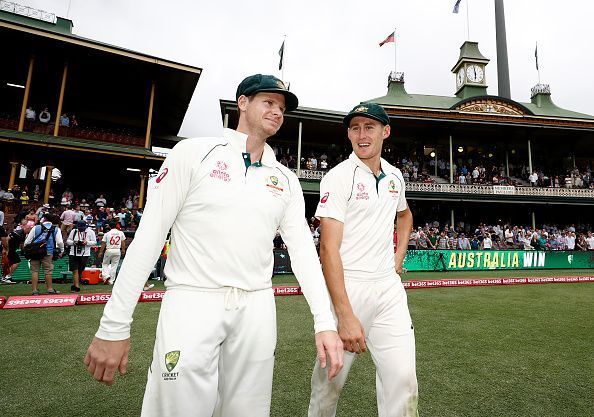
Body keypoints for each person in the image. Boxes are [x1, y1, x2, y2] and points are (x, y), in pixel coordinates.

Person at [84, 74, 343, 416]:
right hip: (193, 298)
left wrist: (324, 321)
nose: (277, 112)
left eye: (282, 108)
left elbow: (304, 256)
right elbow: (148, 238)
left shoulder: (286, 179)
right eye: (269, 102)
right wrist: (114, 326)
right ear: (243, 103)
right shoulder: (193, 154)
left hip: (256, 307)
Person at [309, 103, 418, 417]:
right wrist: (344, 315)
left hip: (389, 290)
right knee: (329, 384)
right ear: (348, 133)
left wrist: (398, 258)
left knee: (403, 381)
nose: (361, 134)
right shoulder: (338, 177)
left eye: (369, 127)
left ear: (385, 132)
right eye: (355, 128)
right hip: (349, 288)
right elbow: (328, 249)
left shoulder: (395, 176)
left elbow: (405, 215)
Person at [24, 214, 63, 295]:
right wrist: (61, 251)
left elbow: (27, 242)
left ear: (44, 219)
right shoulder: (56, 229)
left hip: (35, 252)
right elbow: (59, 242)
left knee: (34, 271)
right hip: (48, 252)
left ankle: (34, 290)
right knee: (48, 271)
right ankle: (50, 289)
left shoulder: (36, 227)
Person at [67, 220, 97, 292]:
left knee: (80, 270)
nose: (81, 229)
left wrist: (87, 242)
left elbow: (94, 242)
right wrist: (74, 242)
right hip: (73, 253)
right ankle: (76, 286)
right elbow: (68, 241)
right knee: (75, 270)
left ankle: (77, 283)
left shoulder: (90, 232)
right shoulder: (74, 231)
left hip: (84, 253)